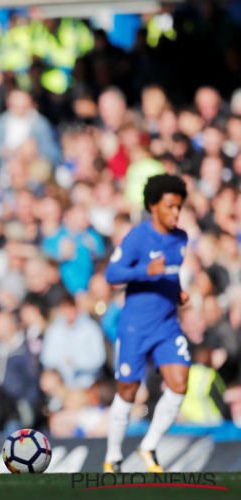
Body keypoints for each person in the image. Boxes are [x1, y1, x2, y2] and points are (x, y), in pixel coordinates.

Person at [103, 174, 190, 473]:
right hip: (135, 327)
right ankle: (113, 455)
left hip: (166, 325)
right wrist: (145, 270)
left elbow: (173, 270)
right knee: (127, 390)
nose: (176, 213)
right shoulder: (138, 236)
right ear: (154, 206)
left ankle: (148, 446)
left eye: (179, 207)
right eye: (170, 207)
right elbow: (112, 274)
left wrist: (177, 291)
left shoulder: (181, 238)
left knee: (179, 384)